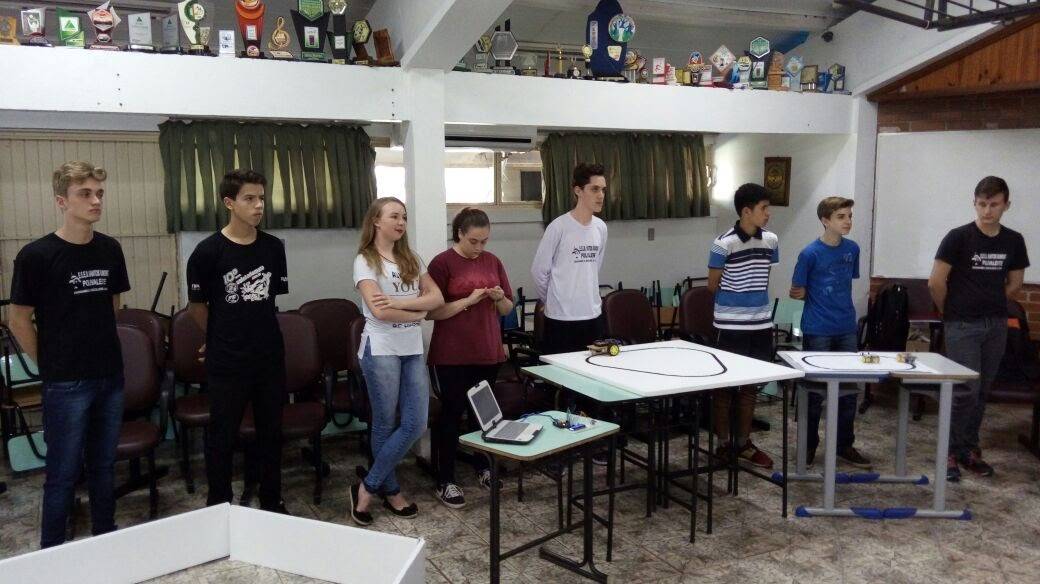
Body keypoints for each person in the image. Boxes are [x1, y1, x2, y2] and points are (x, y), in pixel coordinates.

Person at [8, 161, 130, 548]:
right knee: (62, 473)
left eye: (99, 193)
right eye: (85, 194)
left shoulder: (110, 249)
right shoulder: (37, 255)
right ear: (62, 201)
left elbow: (112, 307)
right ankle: (52, 553)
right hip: (65, 383)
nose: (96, 201)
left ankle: (104, 539)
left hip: (109, 375)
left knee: (104, 466)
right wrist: (49, 365)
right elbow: (18, 320)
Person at [187, 169, 290, 514]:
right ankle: (220, 505)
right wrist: (217, 337)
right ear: (229, 203)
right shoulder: (207, 252)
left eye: (261, 198)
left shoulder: (273, 248)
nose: (259, 205)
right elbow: (196, 306)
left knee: (271, 433)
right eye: (249, 198)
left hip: (268, 356)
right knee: (222, 435)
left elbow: (269, 301)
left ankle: (272, 500)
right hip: (227, 360)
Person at [349, 197, 443, 525]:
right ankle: (391, 491)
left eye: (404, 216)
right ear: (376, 221)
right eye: (394, 216)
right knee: (385, 424)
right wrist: (417, 311)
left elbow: (437, 298)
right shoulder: (365, 260)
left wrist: (400, 303)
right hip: (381, 349)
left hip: (411, 348)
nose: (401, 222)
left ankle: (367, 486)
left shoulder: (411, 258)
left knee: (416, 423)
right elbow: (379, 312)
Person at [929, 176, 1029, 482]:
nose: (987, 211)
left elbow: (1016, 283)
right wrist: (950, 312)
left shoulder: (1013, 240)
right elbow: (936, 282)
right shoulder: (958, 237)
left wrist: (992, 302)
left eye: (994, 204)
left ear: (1006, 205)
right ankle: (948, 452)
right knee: (964, 390)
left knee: (983, 390)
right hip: (962, 324)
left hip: (996, 324)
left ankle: (967, 449)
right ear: (974, 203)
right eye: (982, 204)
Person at [427, 208, 514, 508]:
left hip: (487, 350)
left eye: (484, 241)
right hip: (451, 354)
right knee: (452, 414)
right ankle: (445, 480)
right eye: (473, 241)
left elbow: (507, 309)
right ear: (459, 234)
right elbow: (432, 312)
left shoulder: (493, 261)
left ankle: (483, 466)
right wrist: (468, 300)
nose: (479, 247)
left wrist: (499, 298)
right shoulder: (442, 263)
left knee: (484, 415)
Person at [790, 196, 871, 468]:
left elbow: (847, 282)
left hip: (846, 326)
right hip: (818, 329)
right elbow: (796, 290)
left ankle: (843, 444)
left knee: (848, 391)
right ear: (825, 220)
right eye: (841, 217)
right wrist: (813, 297)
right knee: (815, 393)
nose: (848, 221)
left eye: (850, 216)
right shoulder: (810, 253)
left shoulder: (852, 249)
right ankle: (808, 445)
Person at [706, 183, 778, 469]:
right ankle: (723, 444)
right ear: (746, 211)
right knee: (725, 388)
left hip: (760, 324)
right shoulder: (723, 243)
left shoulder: (771, 240)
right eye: (763, 208)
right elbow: (712, 285)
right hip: (730, 325)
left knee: (750, 387)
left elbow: (765, 276)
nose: (768, 214)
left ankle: (743, 443)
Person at [531, 162, 608, 355]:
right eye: (595, 189)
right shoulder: (558, 227)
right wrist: (551, 300)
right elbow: (539, 271)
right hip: (561, 319)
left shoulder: (600, 228)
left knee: (592, 369)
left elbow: (595, 268)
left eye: (603, 190)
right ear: (578, 191)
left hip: (592, 315)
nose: (600, 195)